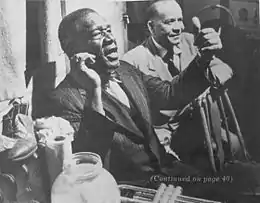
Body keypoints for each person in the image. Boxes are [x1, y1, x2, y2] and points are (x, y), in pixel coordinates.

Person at [41, 7, 260, 202]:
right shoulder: (62, 99)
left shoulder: (125, 71)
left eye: (109, 30)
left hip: (169, 171)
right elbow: (90, 167)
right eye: (98, 33)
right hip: (133, 191)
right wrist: (94, 91)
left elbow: (170, 93)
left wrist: (203, 58)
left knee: (239, 190)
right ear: (72, 49)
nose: (110, 38)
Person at [122, 0, 242, 169]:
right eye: (170, 22)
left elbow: (224, 69)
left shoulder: (190, 41)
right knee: (186, 172)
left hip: (198, 122)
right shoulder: (132, 61)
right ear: (151, 27)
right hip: (164, 133)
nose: (178, 27)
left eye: (180, 20)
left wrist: (207, 87)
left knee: (235, 147)